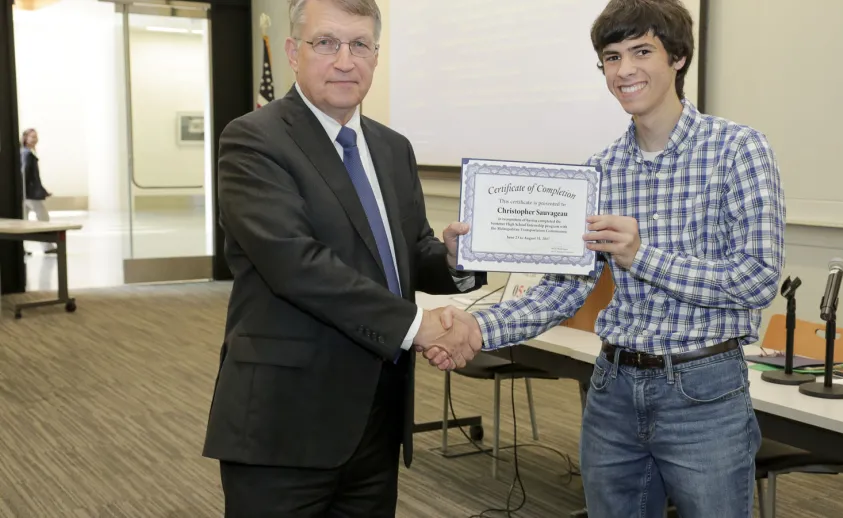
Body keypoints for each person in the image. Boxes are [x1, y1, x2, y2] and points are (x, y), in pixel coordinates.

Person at [428, 0, 786, 516]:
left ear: (678, 57)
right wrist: (475, 329)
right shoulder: (600, 170)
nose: (624, 71)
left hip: (703, 393)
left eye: (642, 52)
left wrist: (642, 256)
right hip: (613, 388)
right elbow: (564, 289)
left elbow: (755, 279)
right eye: (611, 58)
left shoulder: (739, 150)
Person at [201, 0, 485, 516]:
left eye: (360, 45)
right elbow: (296, 265)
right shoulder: (253, 140)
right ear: (293, 51)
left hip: (376, 421)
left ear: (376, 56)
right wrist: (419, 326)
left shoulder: (391, 147)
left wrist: (453, 259)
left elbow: (408, 252)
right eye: (326, 43)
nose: (345, 60)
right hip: (285, 424)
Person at [20, 128, 56, 254]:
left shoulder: (25, 152)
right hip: (29, 194)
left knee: (21, 221)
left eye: (36, 137)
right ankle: (47, 247)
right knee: (43, 218)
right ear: (26, 138)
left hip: (25, 193)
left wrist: (43, 190)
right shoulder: (28, 154)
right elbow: (26, 174)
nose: (35, 139)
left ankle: (20, 249)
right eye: (32, 137)